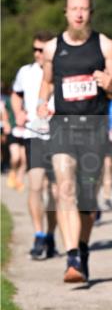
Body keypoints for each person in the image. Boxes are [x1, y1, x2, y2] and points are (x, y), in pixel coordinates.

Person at [37, 0, 112, 284]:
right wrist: (40, 102)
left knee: (86, 198)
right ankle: (71, 254)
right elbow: (47, 83)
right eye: (73, 8)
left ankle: (82, 248)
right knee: (64, 187)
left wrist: (110, 82)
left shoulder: (105, 45)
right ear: (66, 12)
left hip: (95, 126)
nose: (78, 13)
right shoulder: (51, 48)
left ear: (90, 12)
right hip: (63, 125)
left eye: (84, 8)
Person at [11, 32, 58, 259]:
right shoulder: (25, 72)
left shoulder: (62, 70)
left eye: (42, 49)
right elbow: (15, 94)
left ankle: (50, 235)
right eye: (35, 49)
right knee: (36, 185)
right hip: (35, 134)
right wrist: (18, 111)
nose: (38, 53)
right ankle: (39, 235)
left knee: (57, 191)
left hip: (59, 136)